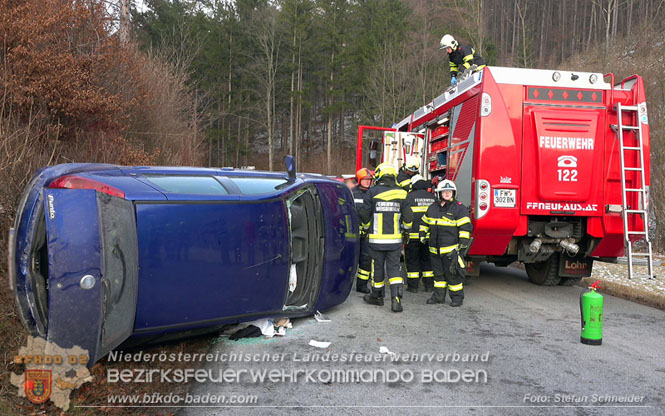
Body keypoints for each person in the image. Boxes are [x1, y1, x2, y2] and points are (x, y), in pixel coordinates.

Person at [359, 162, 414, 312]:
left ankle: (377, 297)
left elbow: (365, 215)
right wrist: (406, 232)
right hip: (395, 241)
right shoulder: (402, 193)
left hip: (376, 241)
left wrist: (364, 230)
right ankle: (396, 300)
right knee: (395, 269)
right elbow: (408, 216)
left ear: (379, 175)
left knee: (377, 268)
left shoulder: (372, 192)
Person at [419, 179, 472, 307]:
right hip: (434, 250)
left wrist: (463, 244)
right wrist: (422, 234)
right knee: (438, 276)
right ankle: (438, 297)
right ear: (439, 193)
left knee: (453, 276)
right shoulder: (432, 208)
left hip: (450, 251)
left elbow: (465, 228)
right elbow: (424, 223)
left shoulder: (459, 209)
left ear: (454, 193)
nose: (447, 194)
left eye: (450, 192)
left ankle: (457, 299)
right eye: (445, 192)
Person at [404, 174, 436, 293]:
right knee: (427, 261)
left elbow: (405, 216)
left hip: (412, 236)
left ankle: (413, 286)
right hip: (428, 236)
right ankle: (429, 285)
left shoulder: (409, 197)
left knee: (412, 261)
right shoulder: (432, 198)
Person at [352, 168, 374, 293]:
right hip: (353, 232)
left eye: (369, 180)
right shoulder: (351, 193)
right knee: (349, 259)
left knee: (366, 260)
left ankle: (362, 285)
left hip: (367, 233)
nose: (367, 182)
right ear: (359, 180)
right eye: (365, 180)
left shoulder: (373, 193)